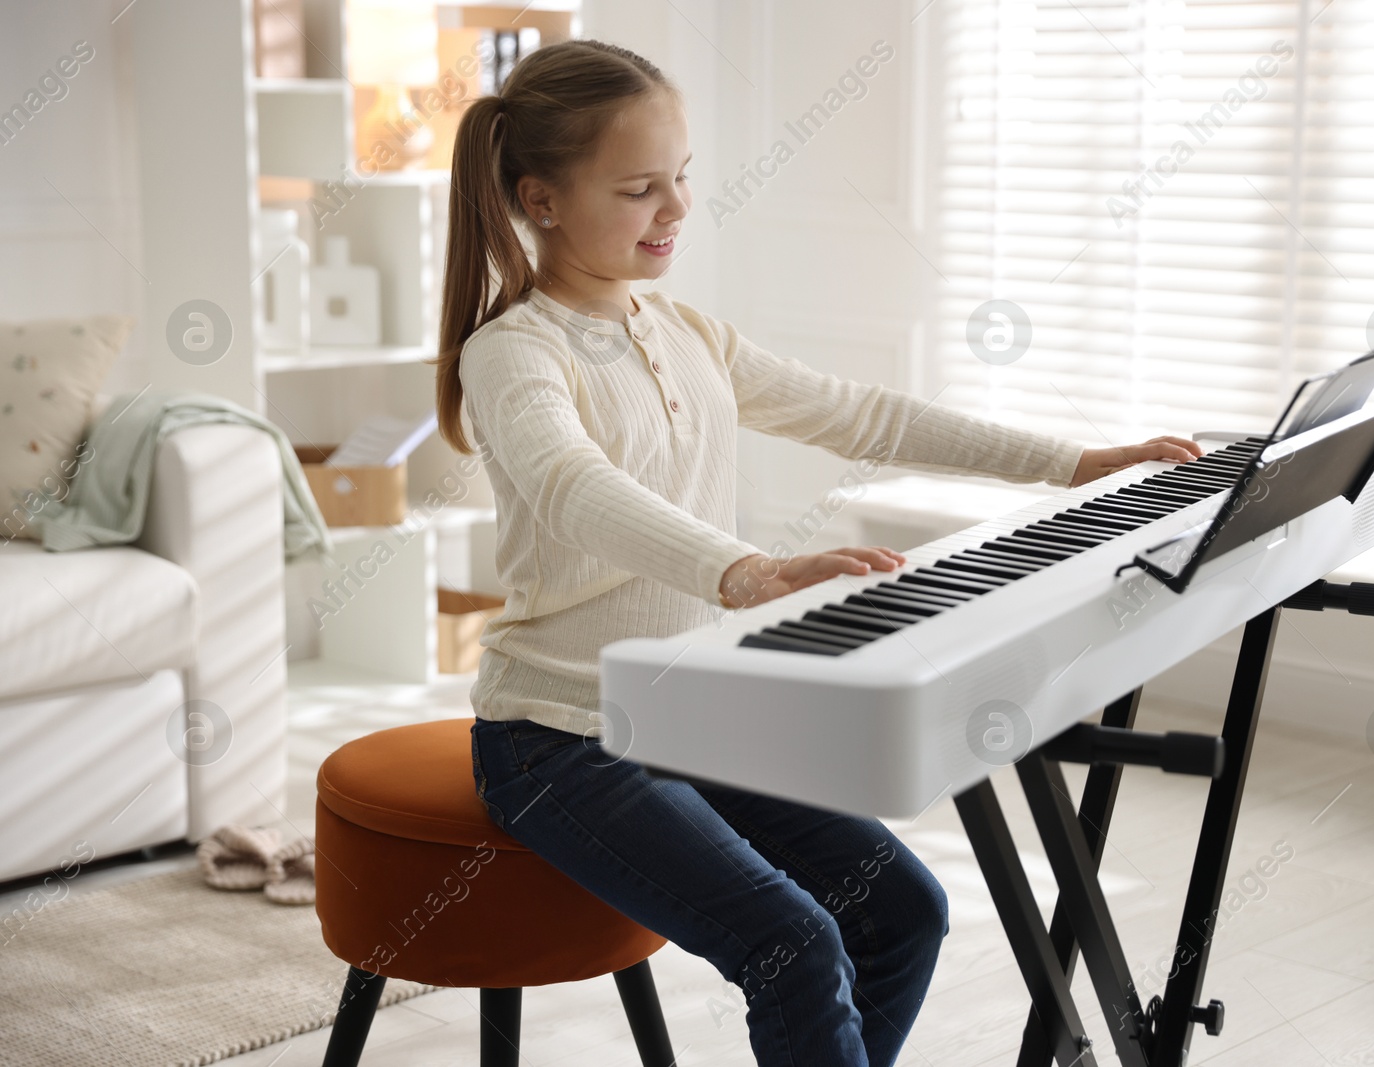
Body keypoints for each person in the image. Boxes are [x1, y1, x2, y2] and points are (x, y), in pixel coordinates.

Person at [432, 38, 1200, 1067]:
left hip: (686, 710)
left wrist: (1072, 461)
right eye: (638, 188)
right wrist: (747, 570)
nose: (675, 207)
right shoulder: (513, 351)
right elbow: (577, 489)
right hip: (559, 735)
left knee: (903, 910)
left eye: (683, 177)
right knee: (792, 940)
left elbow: (862, 414)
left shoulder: (686, 332)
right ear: (542, 198)